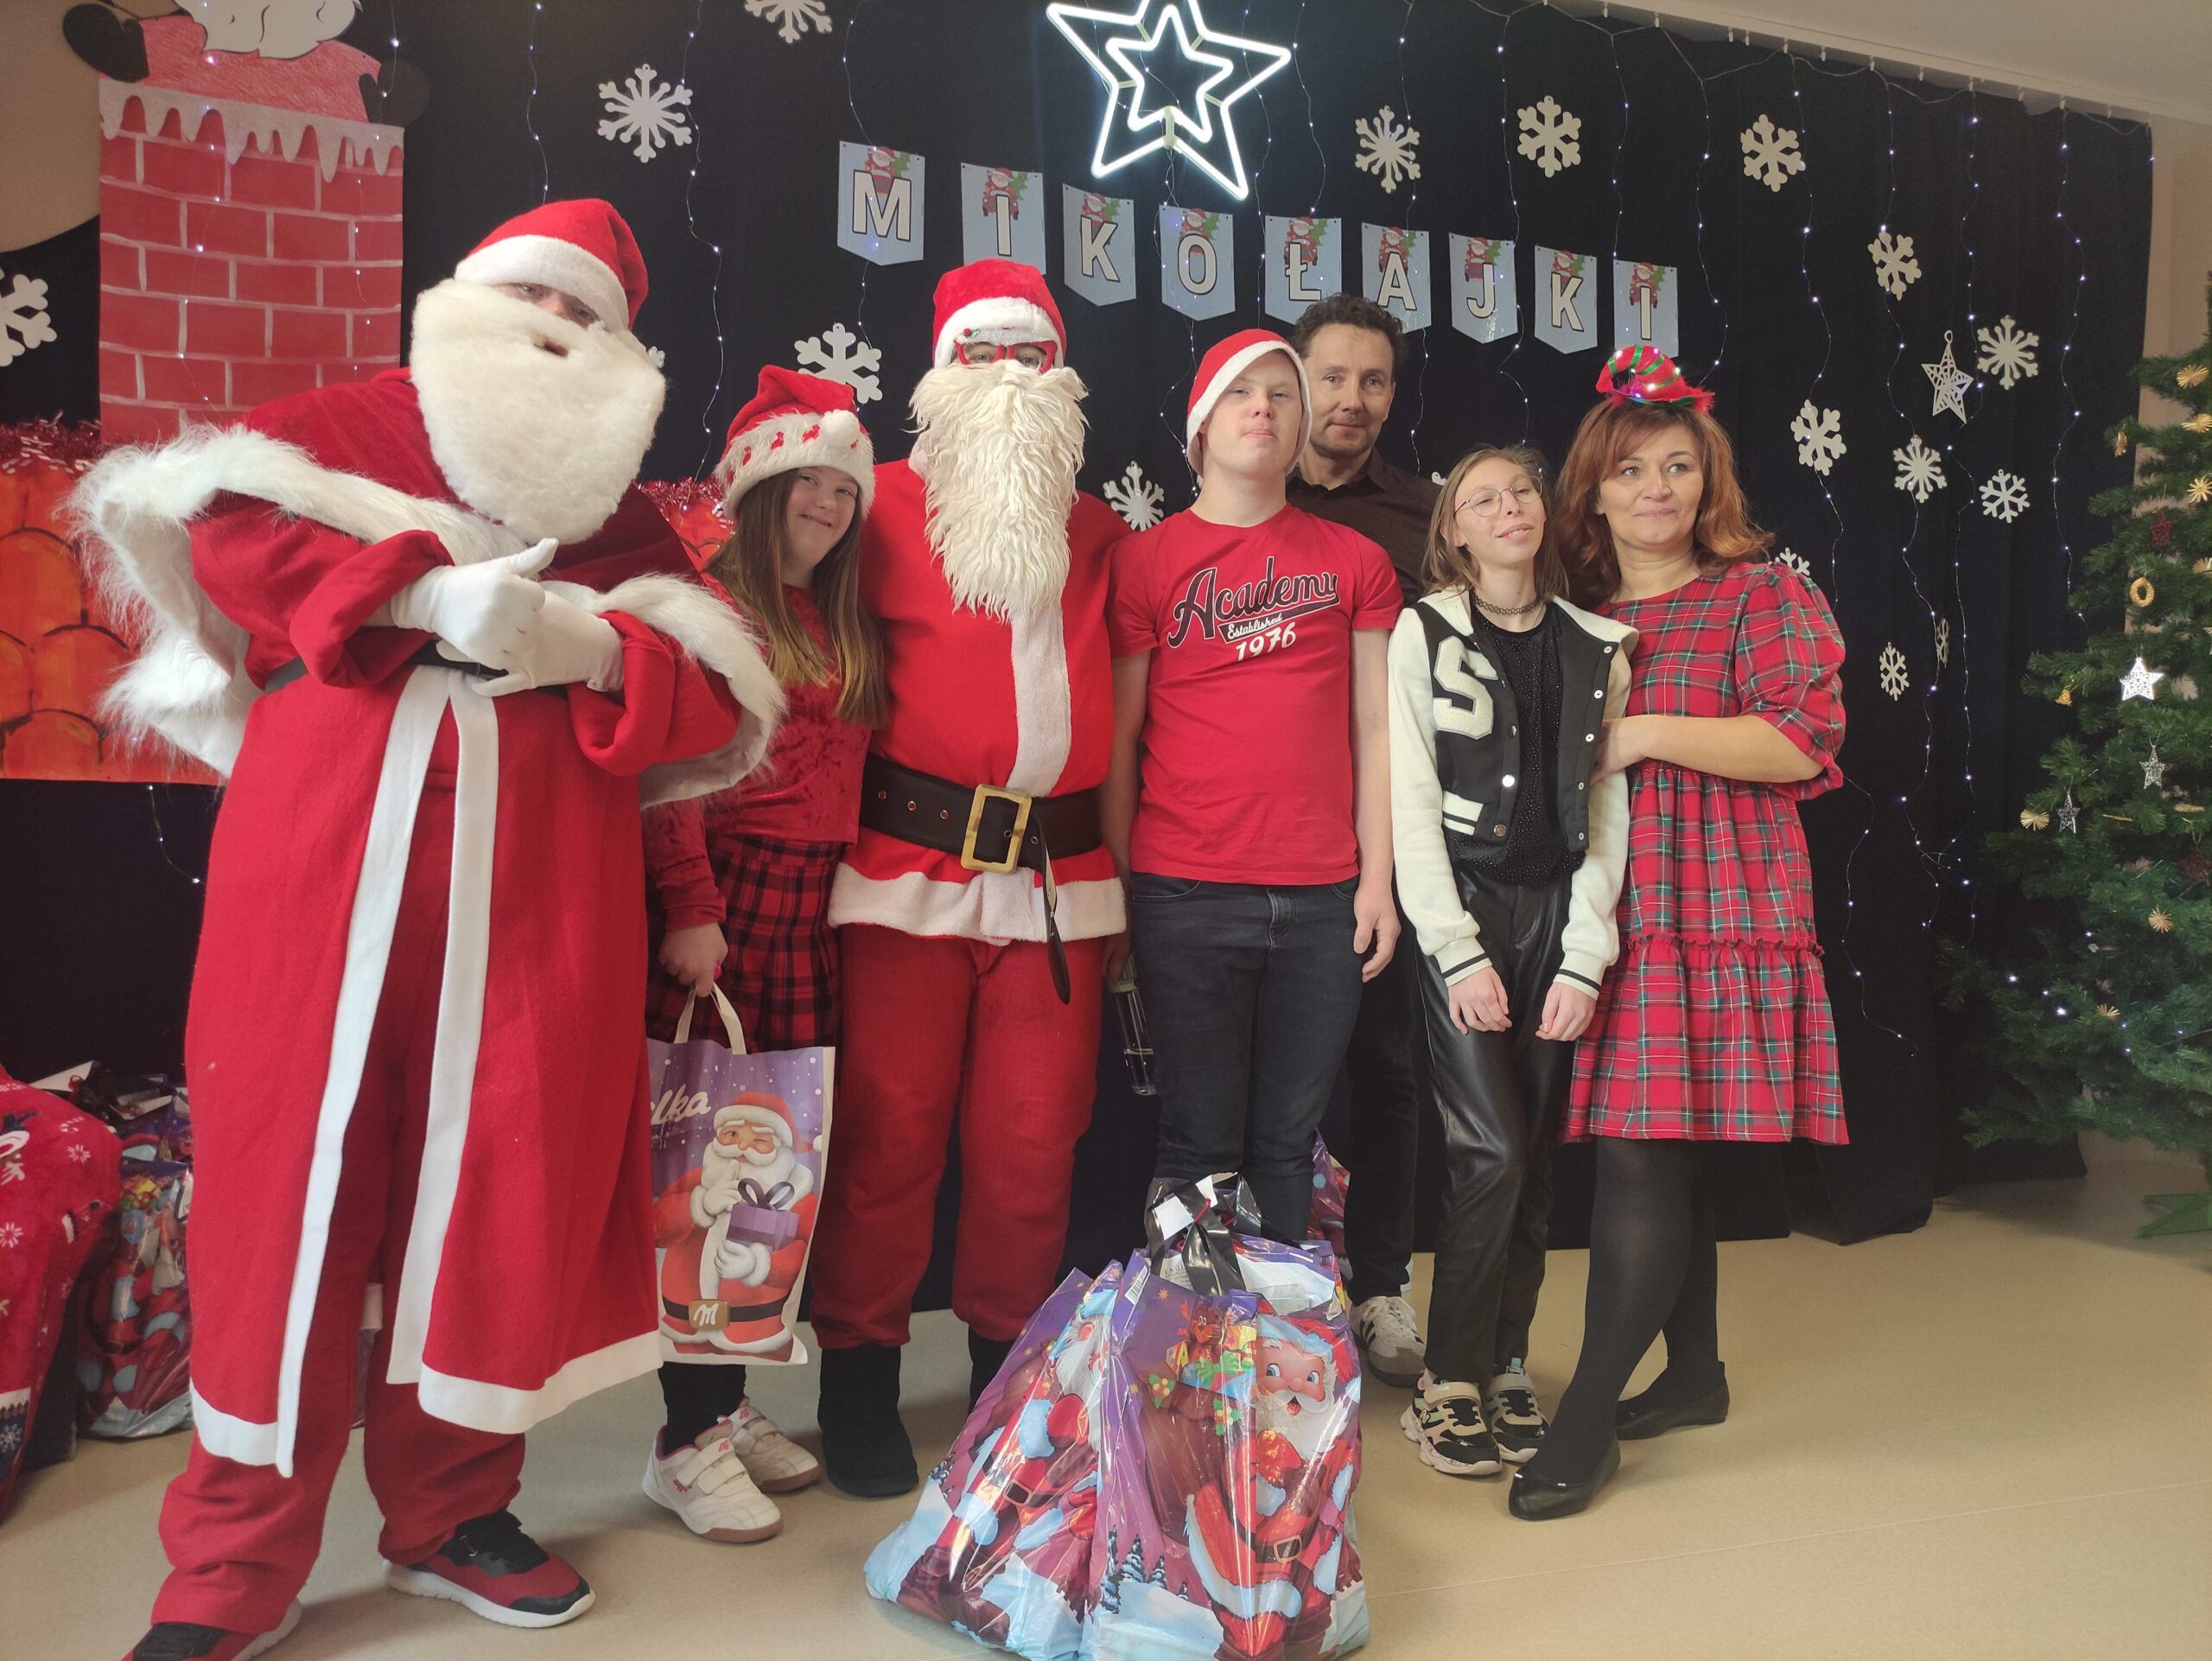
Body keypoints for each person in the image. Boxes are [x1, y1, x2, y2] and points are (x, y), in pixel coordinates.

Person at [76, 199, 782, 1658]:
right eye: (533, 297)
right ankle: (231, 1557)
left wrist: (592, 644)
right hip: (318, 882)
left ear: (627, 359)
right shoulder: (330, 432)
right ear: (464, 299)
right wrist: (415, 587)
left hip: (538, 916)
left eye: (587, 316)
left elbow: (718, 693)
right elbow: (230, 548)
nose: (554, 329)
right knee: (285, 1199)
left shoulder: (618, 519)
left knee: (498, 1200)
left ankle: (453, 1513)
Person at [806, 259, 1128, 1498]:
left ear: (1062, 376)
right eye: (981, 353)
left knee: (1035, 1140)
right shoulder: (874, 505)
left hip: (1060, 881)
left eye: (1029, 356)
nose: (1005, 378)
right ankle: (858, 1376)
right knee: (888, 1134)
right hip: (906, 868)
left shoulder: (1100, 531)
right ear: (941, 371)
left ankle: (1010, 1378)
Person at [1509, 347, 1847, 1521]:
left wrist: (1642, 729)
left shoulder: (1760, 595)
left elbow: (1799, 741)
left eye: (1678, 467)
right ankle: (1694, 1371)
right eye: (1631, 470)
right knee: (1665, 1138)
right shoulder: (1573, 615)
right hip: (1602, 911)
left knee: (1643, 1150)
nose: (1655, 488)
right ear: (1593, 491)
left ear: (1710, 484)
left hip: (1717, 900)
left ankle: (1586, 1418)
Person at [639, 366, 881, 1543]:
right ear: (758, 488)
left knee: (772, 1170)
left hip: (808, 913)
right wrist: (692, 907)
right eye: (808, 484)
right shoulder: (709, 608)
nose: (828, 505)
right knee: (701, 1171)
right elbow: (672, 772)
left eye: (845, 489)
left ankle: (724, 1404)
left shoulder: (836, 614)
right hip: (727, 909)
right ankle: (681, 1442)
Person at [1103, 328, 1401, 1246]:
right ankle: (1194, 1329)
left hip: (1322, 897)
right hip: (1185, 890)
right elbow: (1119, 739)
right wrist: (1123, 887)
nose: (1262, 409)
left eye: (1281, 394)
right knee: (1196, 1138)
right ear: (1202, 422)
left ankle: (1270, 1325)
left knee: (1286, 1140)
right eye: (1241, 392)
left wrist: (1377, 881)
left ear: (1301, 424)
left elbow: (1376, 728)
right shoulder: (1144, 561)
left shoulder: (1354, 559)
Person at [1387, 446, 1634, 1479]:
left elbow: (1604, 811)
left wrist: (1584, 956)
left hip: (1557, 913)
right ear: (1454, 528)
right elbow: (1409, 798)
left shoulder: (1597, 644)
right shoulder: (1424, 630)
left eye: (1521, 490)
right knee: (1487, 1149)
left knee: (1531, 1156)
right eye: (1481, 498)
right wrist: (1454, 950)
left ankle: (1505, 1362)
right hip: (1467, 910)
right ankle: (1445, 1375)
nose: (1507, 508)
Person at [1287, 294, 1440, 1389]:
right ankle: (1274, 1289)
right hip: (1264, 838)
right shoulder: (1241, 495)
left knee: (1390, 1072)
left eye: (1373, 380)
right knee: (1271, 1089)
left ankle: (1381, 1281)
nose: (1351, 399)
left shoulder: (1427, 518)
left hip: (1395, 837)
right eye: (1331, 376)